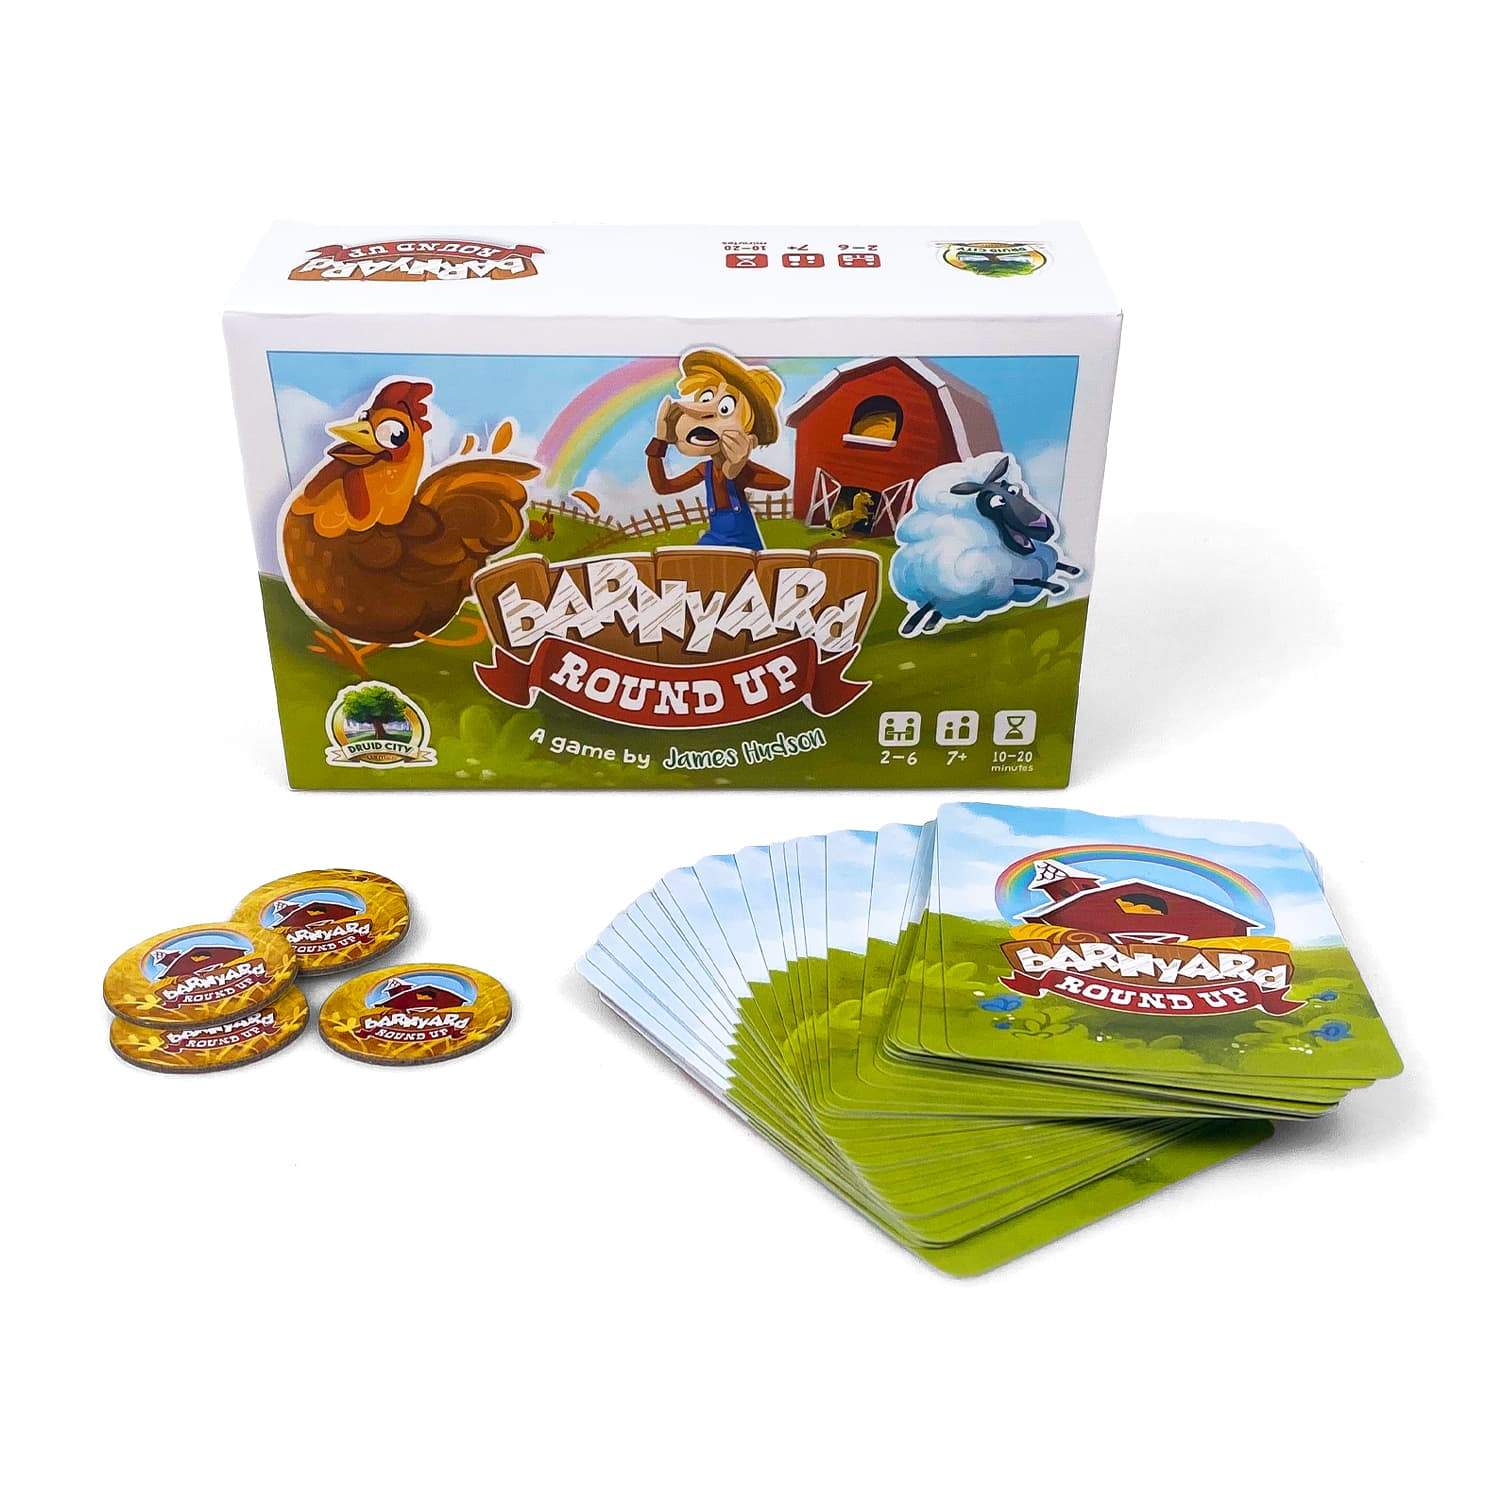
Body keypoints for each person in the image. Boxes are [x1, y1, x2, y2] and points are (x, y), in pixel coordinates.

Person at [644, 348, 789, 551]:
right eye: (705, 398)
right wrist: (660, 441)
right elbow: (663, 486)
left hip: (745, 545)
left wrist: (738, 467)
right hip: (715, 540)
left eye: (725, 408)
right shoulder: (705, 470)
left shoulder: (742, 471)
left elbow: (782, 482)